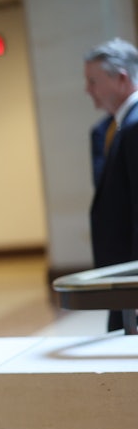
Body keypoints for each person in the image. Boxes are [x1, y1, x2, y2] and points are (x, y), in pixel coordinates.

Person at [84, 37, 138, 332]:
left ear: (121, 78)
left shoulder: (135, 125)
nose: (87, 90)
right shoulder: (118, 126)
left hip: (130, 277)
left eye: (93, 81)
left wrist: (133, 283)